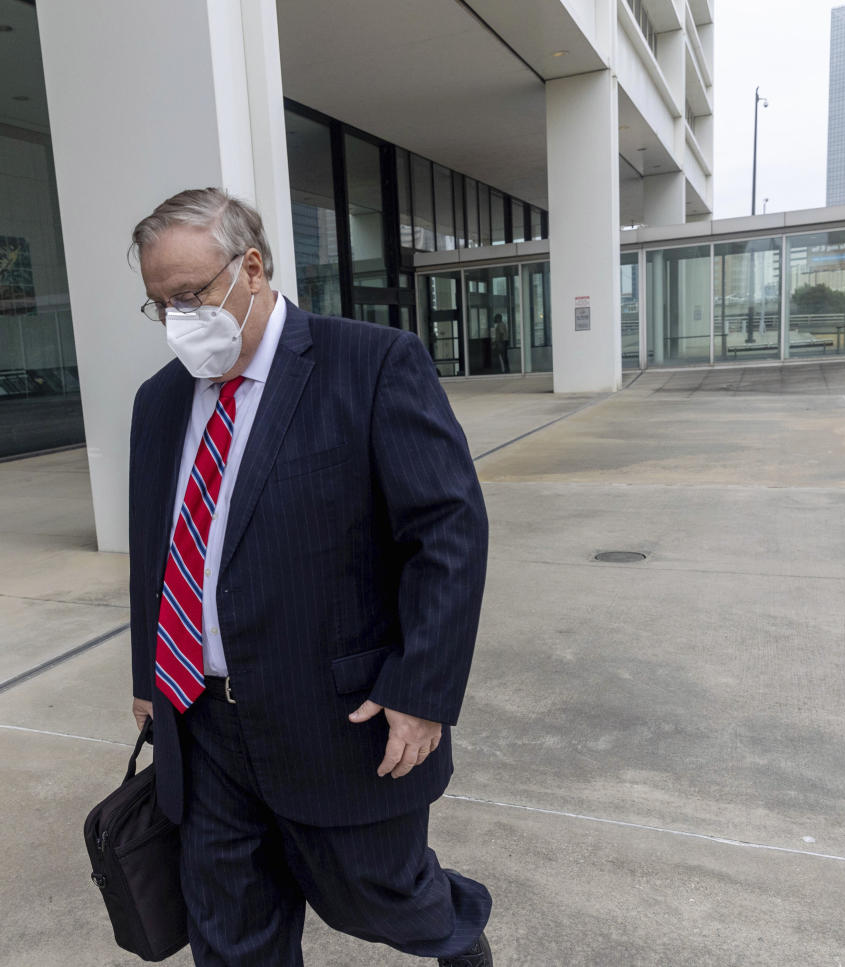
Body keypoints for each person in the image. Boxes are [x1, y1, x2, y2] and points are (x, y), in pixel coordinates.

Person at [127, 187, 493, 966]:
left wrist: (422, 691)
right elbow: (157, 549)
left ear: (251, 268)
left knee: (383, 898)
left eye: (191, 295)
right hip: (203, 722)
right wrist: (147, 678)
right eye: (161, 305)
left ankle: (456, 936)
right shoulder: (158, 403)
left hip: (339, 718)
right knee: (230, 935)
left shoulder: (370, 363)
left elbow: (447, 533)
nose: (179, 319)